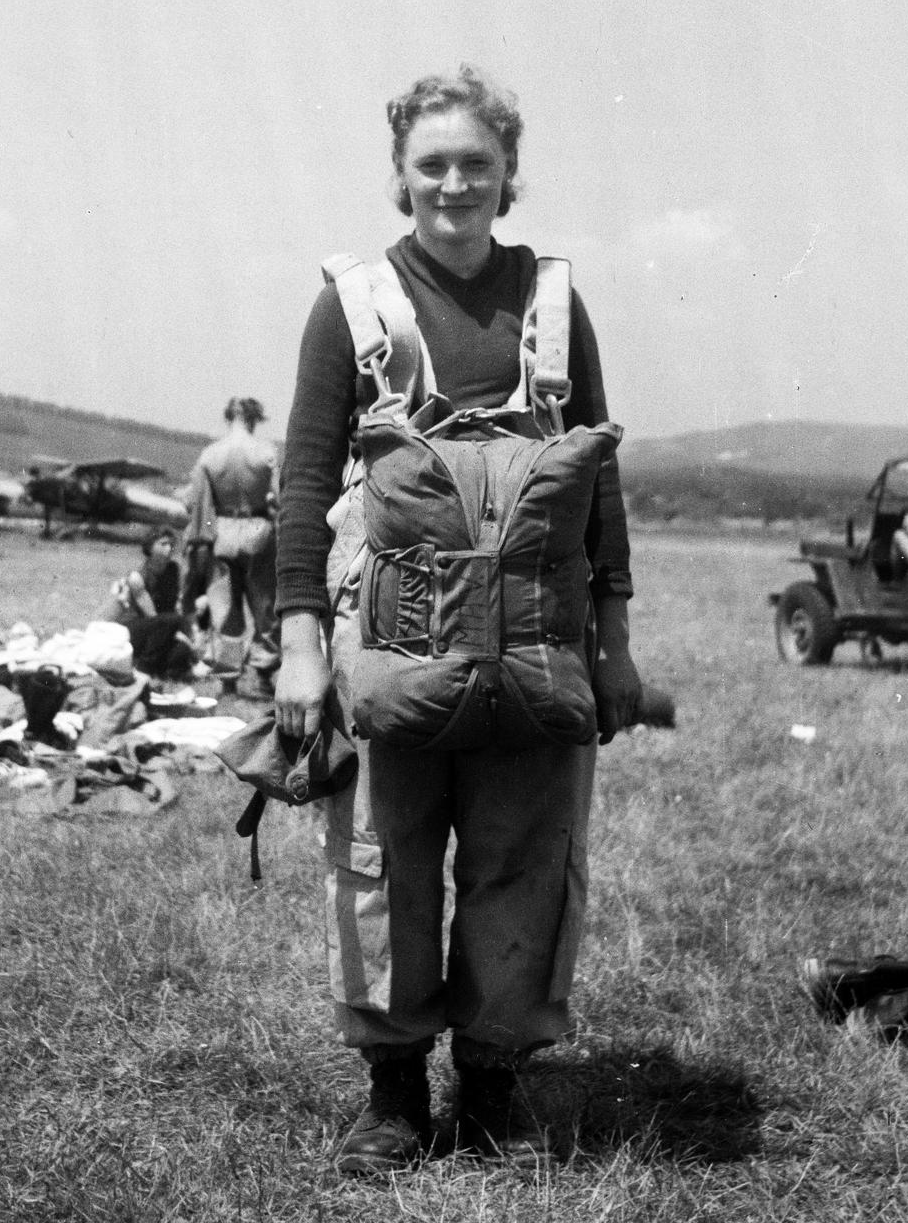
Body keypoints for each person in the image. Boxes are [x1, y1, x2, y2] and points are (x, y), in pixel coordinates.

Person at [274, 66, 643, 1173]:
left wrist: (614, 637)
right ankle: (393, 1095)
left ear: (507, 174)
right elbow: (301, 481)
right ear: (400, 176)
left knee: (522, 853)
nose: (453, 183)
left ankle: (490, 1089)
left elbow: (600, 480)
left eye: (475, 163)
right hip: (387, 638)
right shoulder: (349, 304)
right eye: (431, 163)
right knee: (385, 855)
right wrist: (299, 644)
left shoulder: (557, 302)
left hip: (535, 635)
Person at [184, 397, 280, 699]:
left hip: (222, 532)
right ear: (254, 419)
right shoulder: (267, 452)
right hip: (258, 531)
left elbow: (199, 506)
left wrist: (207, 538)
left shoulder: (210, 455)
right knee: (265, 606)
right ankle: (264, 673)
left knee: (224, 607)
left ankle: (228, 678)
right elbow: (278, 498)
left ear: (229, 418)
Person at [103, 526, 198, 683]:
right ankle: (144, 670)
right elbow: (152, 616)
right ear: (150, 546)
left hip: (163, 628)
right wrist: (181, 630)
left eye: (171, 545)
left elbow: (179, 606)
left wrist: (189, 637)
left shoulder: (174, 570)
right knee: (172, 621)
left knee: (182, 651)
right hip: (135, 629)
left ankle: (163, 670)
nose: (169, 549)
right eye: (163, 544)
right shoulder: (137, 577)